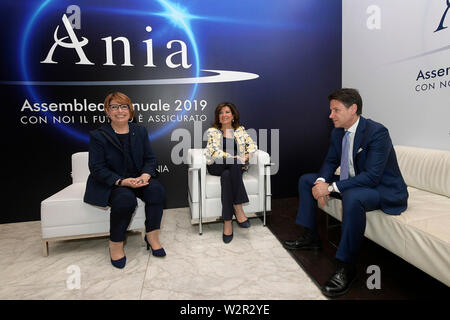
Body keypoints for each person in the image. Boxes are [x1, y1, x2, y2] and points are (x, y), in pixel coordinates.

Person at [283, 88, 408, 297]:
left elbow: (372, 177)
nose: (330, 115)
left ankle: (346, 266)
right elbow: (331, 161)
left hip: (382, 189)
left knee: (353, 196)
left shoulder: (377, 132)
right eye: (330, 110)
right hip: (354, 182)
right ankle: (311, 236)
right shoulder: (337, 132)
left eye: (336, 110)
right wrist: (321, 181)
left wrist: (330, 188)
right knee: (307, 180)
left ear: (353, 109)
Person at [84, 92, 166, 269]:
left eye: (124, 106)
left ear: (130, 110)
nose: (120, 111)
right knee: (125, 199)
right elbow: (97, 168)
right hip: (115, 183)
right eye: (114, 107)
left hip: (138, 179)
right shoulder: (98, 135)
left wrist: (145, 176)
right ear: (107, 110)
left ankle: (151, 236)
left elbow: (150, 159)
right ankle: (115, 243)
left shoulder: (140, 131)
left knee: (156, 190)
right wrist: (122, 182)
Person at [204, 102, 258, 243]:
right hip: (217, 165)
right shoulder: (213, 131)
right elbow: (214, 151)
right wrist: (233, 157)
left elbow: (252, 146)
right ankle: (238, 208)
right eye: (221, 113)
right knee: (232, 162)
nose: (224, 115)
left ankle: (227, 222)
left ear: (233, 116)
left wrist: (244, 157)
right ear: (218, 117)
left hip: (233, 168)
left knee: (227, 177)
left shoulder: (240, 131)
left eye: (227, 112)